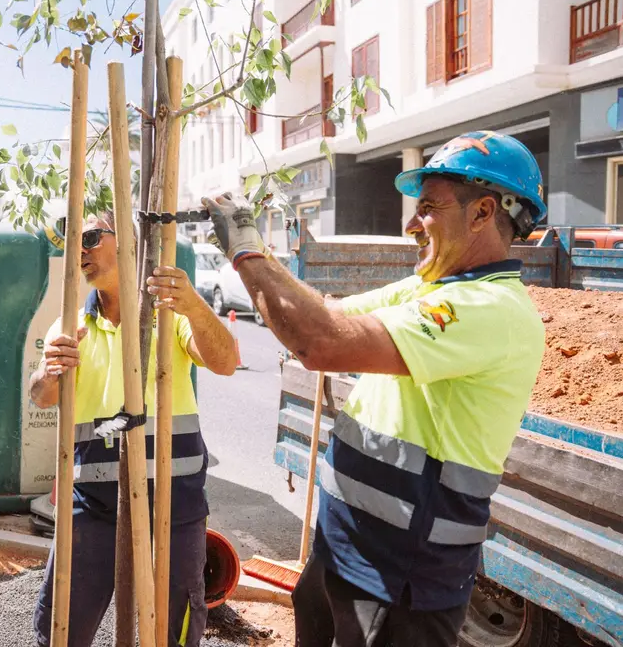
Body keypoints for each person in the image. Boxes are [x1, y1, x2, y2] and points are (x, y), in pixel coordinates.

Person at [203, 130, 548, 647]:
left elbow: (320, 342)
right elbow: (326, 314)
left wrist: (246, 249)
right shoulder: (431, 288)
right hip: (349, 553)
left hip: (399, 580)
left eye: (428, 208)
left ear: (482, 212)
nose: (411, 225)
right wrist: (262, 260)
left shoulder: (489, 311)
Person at [30, 210, 239, 647]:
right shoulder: (71, 322)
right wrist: (50, 372)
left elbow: (225, 362)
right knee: (59, 627)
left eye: (89, 236)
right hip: (92, 505)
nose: (80, 250)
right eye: (72, 241)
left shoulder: (169, 315)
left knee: (175, 632)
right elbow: (41, 395)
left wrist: (194, 304)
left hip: (173, 503)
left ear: (126, 240)